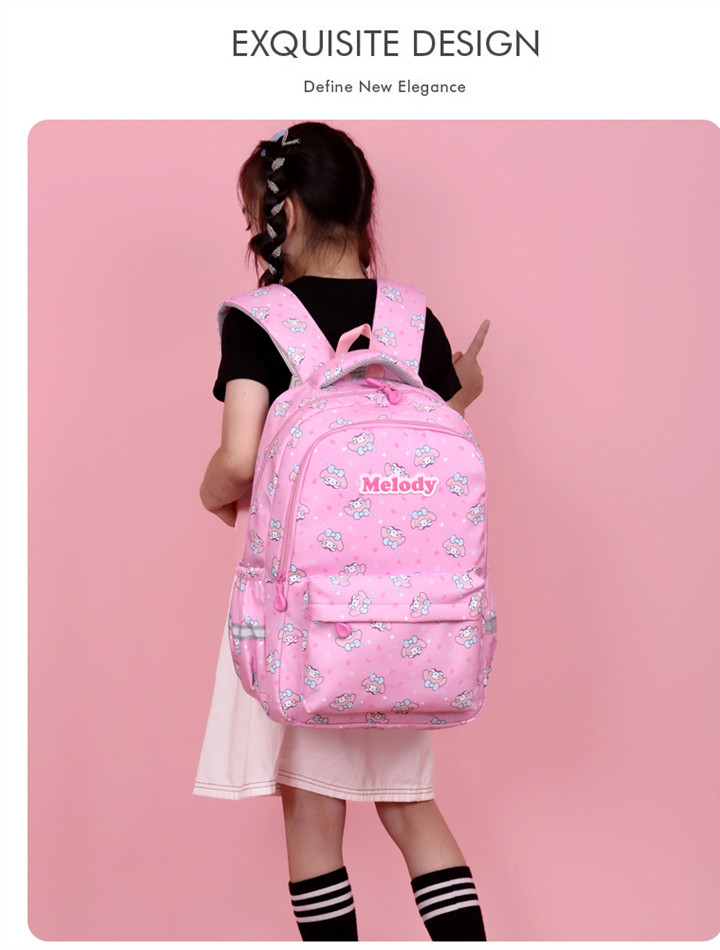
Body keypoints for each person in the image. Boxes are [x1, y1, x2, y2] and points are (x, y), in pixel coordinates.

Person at [196, 121, 490, 942]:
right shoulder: (413, 318)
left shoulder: (260, 320)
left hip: (304, 620)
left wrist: (210, 493)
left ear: (280, 214)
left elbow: (240, 456)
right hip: (414, 623)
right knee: (412, 809)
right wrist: (464, 389)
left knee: (312, 817)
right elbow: (415, 439)